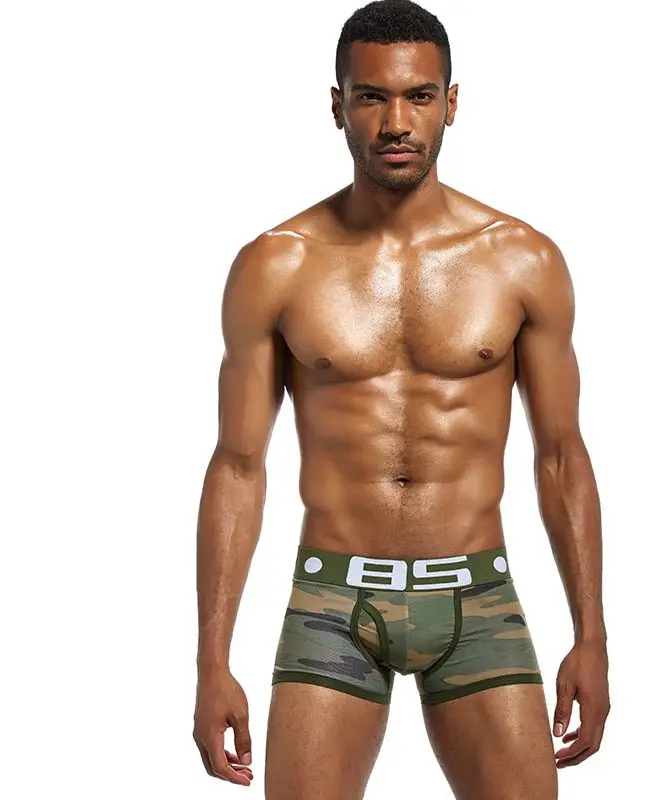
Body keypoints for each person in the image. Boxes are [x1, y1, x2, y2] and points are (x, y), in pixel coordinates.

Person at [192, 1, 610, 797]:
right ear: (337, 105)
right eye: (371, 97)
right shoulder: (276, 266)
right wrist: (212, 661)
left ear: (450, 103)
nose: (395, 122)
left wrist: (591, 636)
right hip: (333, 600)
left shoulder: (521, 260)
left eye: (419, 96)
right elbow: (238, 466)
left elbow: (561, 455)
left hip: (477, 596)